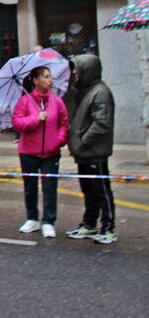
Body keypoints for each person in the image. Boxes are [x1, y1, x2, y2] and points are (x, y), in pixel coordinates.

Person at [65, 54, 117, 244]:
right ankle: (89, 223)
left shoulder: (100, 92)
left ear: (87, 70)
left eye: (77, 69)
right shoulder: (86, 90)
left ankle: (109, 227)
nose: (74, 73)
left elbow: (102, 123)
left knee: (101, 192)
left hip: (94, 152)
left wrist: (82, 141)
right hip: (85, 154)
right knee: (89, 191)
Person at [11, 65, 68, 238]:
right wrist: (35, 119)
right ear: (35, 80)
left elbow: (63, 123)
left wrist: (58, 141)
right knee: (30, 187)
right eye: (45, 76)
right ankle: (32, 218)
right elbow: (17, 123)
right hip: (28, 152)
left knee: (50, 187)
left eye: (50, 76)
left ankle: (49, 221)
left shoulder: (57, 101)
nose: (49, 80)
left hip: (51, 153)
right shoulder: (25, 101)